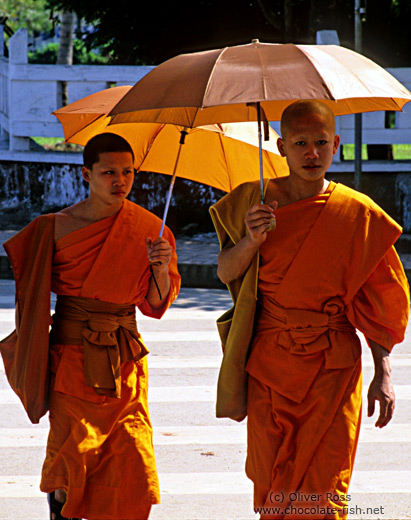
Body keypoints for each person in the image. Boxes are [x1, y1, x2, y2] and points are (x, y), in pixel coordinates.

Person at [209, 100, 409, 519]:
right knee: (273, 483)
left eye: (321, 142)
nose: (312, 153)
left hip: (331, 370)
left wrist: (384, 374)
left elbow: (381, 302)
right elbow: (226, 270)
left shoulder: (358, 214)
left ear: (336, 144)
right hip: (269, 364)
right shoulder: (253, 200)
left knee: (323, 489)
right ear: (281, 146)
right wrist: (250, 240)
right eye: (301, 143)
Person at [0, 133, 181, 520]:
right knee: (71, 458)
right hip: (71, 359)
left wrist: (161, 268)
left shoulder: (151, 229)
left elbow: (155, 304)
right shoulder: (54, 228)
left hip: (125, 362)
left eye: (128, 172)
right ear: (87, 174)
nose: (120, 181)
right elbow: (29, 301)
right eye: (109, 172)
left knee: (130, 459)